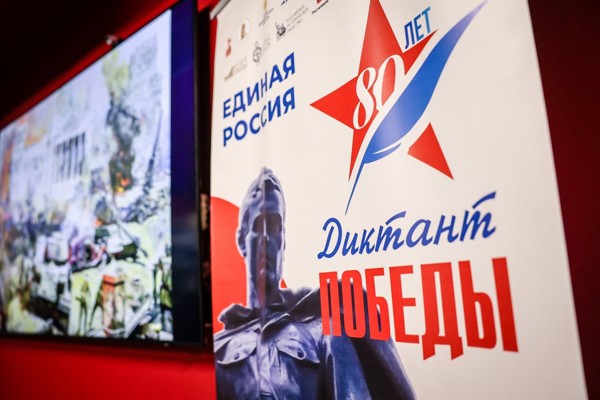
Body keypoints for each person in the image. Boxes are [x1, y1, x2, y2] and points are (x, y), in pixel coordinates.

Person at [214, 168, 415, 399]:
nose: (267, 238)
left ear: (283, 240)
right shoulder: (221, 348)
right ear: (241, 239)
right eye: (258, 226)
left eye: (275, 225)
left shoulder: (323, 330)